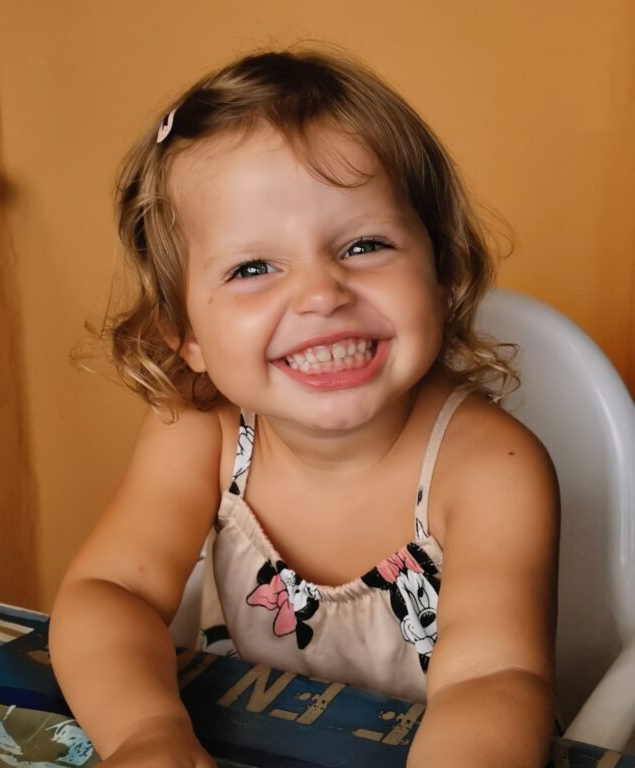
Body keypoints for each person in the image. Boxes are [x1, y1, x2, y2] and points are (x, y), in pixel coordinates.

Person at [49, 47, 560, 768]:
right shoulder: (201, 434)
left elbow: (492, 678)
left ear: (443, 272)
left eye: (365, 244)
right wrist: (145, 731)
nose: (321, 294)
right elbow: (111, 593)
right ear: (186, 333)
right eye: (253, 267)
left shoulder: (490, 467)